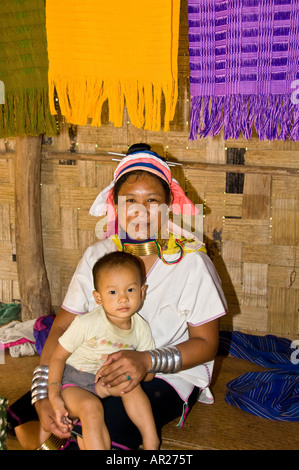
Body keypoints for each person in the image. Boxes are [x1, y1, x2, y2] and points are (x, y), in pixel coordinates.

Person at [9, 143, 227, 450]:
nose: (140, 212)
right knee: (34, 414)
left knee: (104, 425)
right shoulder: (99, 256)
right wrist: (45, 392)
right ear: (115, 205)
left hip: (165, 376)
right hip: (93, 364)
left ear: (168, 205)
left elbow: (206, 345)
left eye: (152, 200)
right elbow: (61, 328)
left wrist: (145, 360)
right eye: (130, 201)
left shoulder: (191, 263)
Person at [47, 251, 158, 450]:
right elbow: (57, 357)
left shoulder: (141, 328)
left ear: (142, 292)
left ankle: (151, 441)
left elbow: (148, 375)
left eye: (130, 290)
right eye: (113, 292)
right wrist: (53, 395)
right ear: (98, 298)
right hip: (73, 382)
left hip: (104, 380)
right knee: (91, 408)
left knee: (130, 386)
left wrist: (133, 371)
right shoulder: (86, 323)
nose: (123, 299)